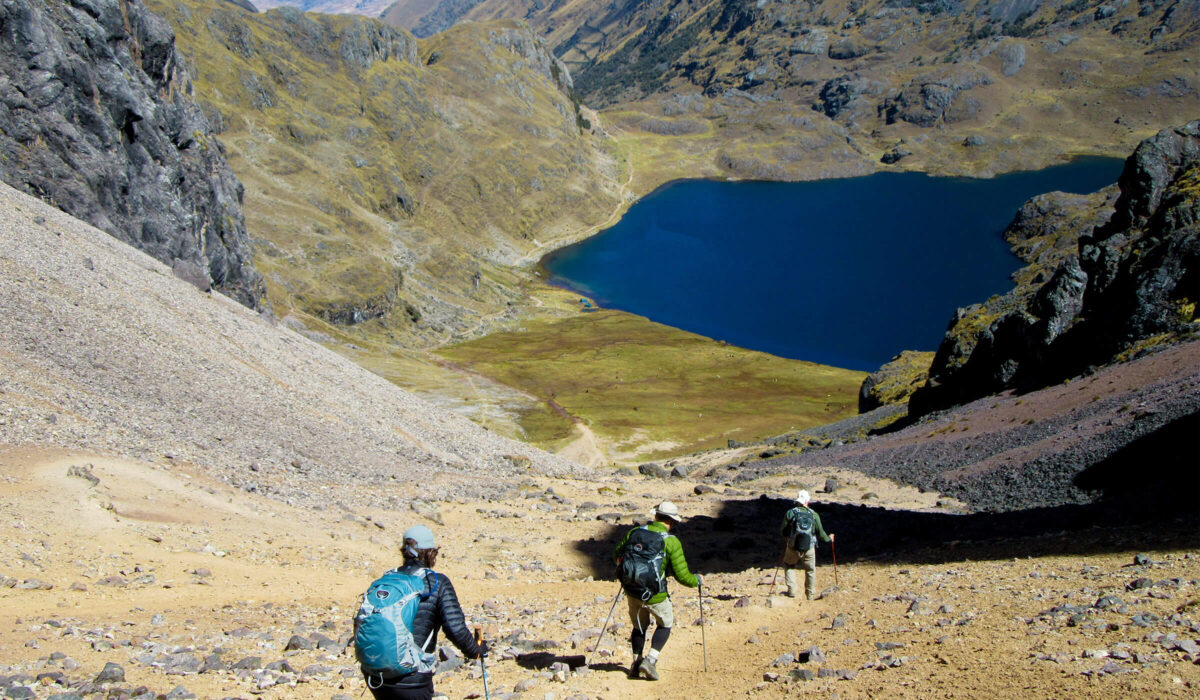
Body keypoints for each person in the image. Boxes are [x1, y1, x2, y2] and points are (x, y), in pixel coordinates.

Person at [355, 525, 485, 700]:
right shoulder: (436, 583)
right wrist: (475, 651)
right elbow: (455, 629)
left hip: (376, 676)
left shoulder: (386, 579)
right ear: (431, 553)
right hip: (412, 678)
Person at [613, 501, 702, 681]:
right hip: (656, 595)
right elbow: (682, 575)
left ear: (655, 517)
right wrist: (697, 580)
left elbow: (617, 555)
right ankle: (651, 660)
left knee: (639, 627)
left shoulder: (634, 532)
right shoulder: (671, 541)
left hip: (632, 591)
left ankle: (636, 663)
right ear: (672, 521)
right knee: (665, 623)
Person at [779, 490, 834, 600]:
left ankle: (792, 591)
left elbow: (783, 531)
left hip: (792, 546)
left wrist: (787, 540)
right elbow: (821, 534)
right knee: (810, 570)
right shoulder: (814, 514)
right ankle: (810, 595)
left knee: (789, 565)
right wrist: (829, 539)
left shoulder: (790, 513)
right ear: (807, 501)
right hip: (809, 547)